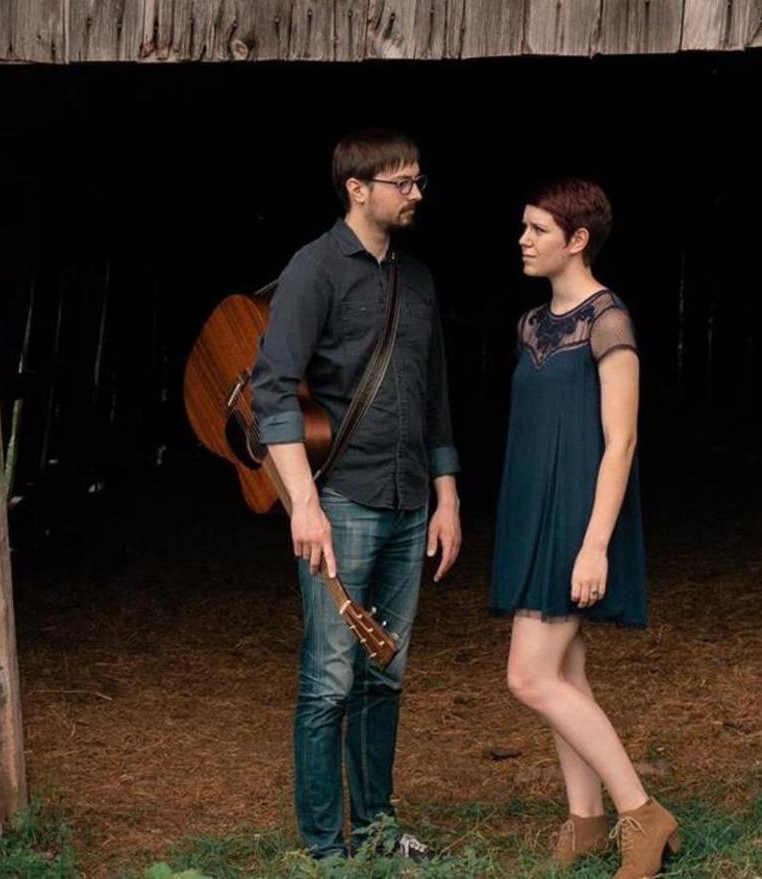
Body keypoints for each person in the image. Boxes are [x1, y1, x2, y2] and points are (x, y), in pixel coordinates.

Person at [251, 128, 462, 860]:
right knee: (329, 679)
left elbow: (434, 397)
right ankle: (325, 849)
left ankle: (376, 831)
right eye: (403, 182)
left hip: (410, 502)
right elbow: (272, 391)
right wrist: (305, 505)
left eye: (419, 180)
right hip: (339, 501)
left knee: (385, 675)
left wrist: (447, 496)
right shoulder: (312, 270)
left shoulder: (419, 280)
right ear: (358, 188)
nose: (416, 194)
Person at [490, 178, 679, 877]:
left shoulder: (608, 320)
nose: (523, 239)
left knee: (527, 675)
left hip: (580, 515)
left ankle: (642, 812)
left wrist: (594, 543)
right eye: (524, 226)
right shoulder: (530, 325)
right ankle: (587, 820)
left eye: (537, 229)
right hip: (531, 509)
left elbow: (620, 442)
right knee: (564, 673)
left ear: (577, 240)